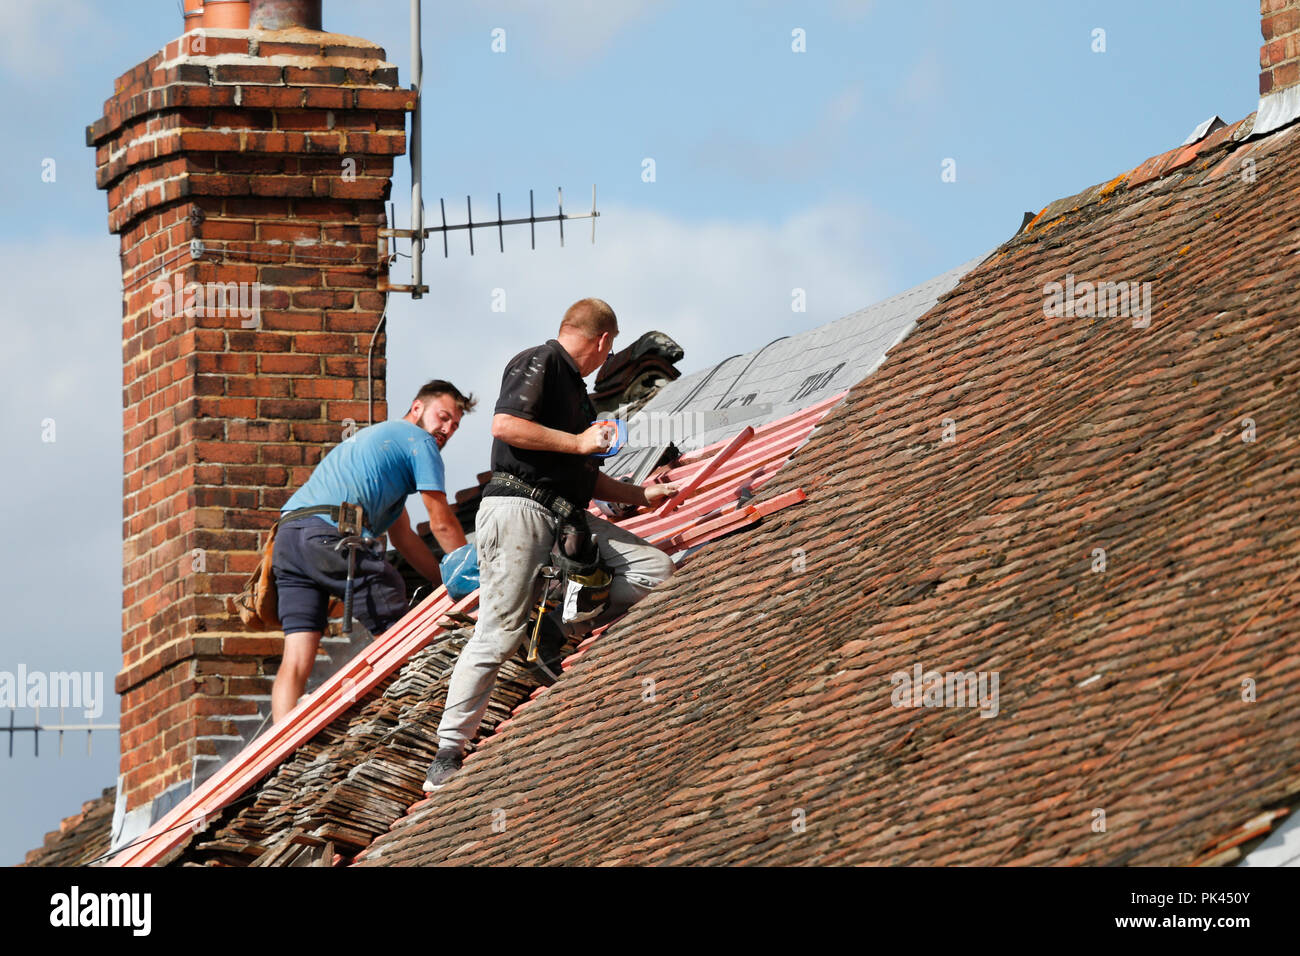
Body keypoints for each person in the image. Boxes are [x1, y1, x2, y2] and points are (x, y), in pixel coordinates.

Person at [423, 298, 678, 791]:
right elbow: (505, 426)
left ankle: (553, 622)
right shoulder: (539, 361)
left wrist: (643, 494)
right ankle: (448, 751)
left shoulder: (579, 395)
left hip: (565, 512)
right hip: (518, 507)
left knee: (656, 571)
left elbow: (586, 475)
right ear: (604, 339)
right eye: (610, 348)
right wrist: (580, 442)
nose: (608, 357)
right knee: (497, 631)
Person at [270, 380, 475, 723]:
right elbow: (441, 523)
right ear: (417, 407)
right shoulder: (417, 441)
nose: (446, 429)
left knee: (296, 655)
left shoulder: (382, 451)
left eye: (454, 425)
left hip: (289, 540)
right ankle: (420, 700)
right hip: (328, 533)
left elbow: (406, 540)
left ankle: (281, 747)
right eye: (443, 417)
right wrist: (473, 578)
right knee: (391, 602)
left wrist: (443, 582)